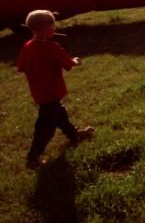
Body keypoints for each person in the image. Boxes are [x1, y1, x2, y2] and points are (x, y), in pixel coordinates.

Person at [17, 10, 94, 169]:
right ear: (44, 26)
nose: (54, 26)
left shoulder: (28, 46)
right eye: (52, 23)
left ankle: (73, 134)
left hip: (39, 91)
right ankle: (33, 157)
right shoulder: (51, 46)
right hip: (51, 91)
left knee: (59, 113)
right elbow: (68, 64)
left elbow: (22, 67)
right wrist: (75, 60)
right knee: (46, 126)